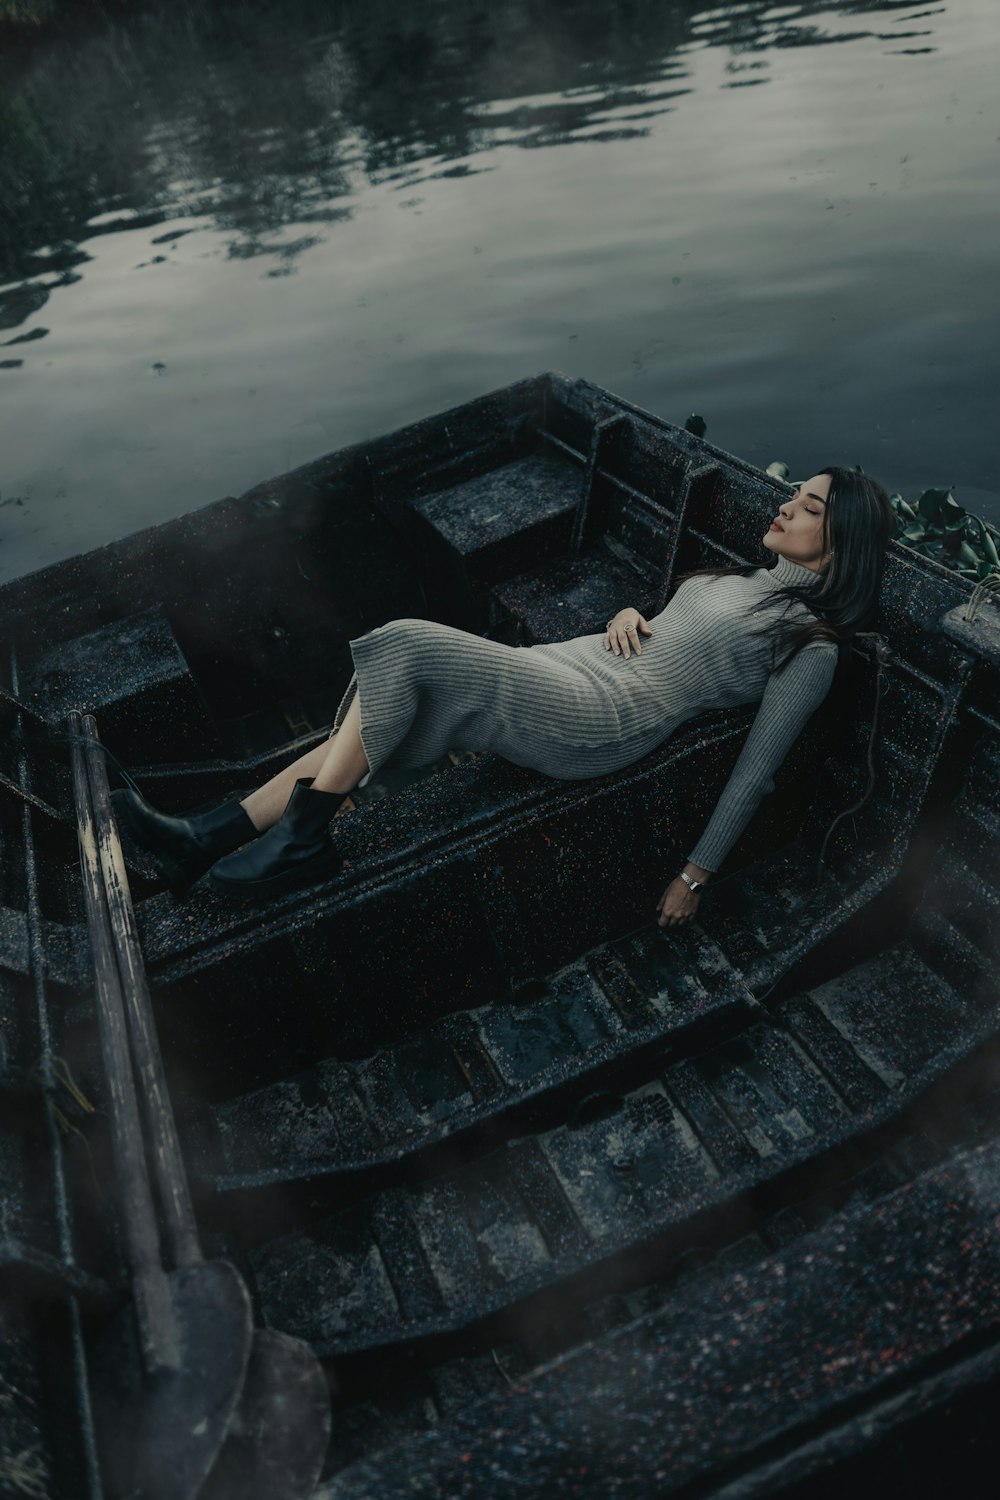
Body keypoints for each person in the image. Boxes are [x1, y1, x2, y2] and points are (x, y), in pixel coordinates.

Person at [113, 467, 894, 922]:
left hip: (605, 721)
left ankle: (303, 842)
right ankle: (203, 838)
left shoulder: (811, 646)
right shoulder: (740, 578)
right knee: (380, 711)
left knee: (408, 644)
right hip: (579, 668)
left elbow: (756, 770)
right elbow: (679, 633)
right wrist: (634, 613)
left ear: (842, 543)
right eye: (794, 494)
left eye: (810, 507)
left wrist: (694, 876)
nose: (786, 505)